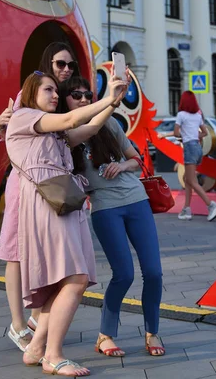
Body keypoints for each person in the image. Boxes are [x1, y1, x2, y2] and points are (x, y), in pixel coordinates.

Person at [6, 71, 126, 377]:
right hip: (49, 205)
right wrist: (108, 97)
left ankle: (36, 349)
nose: (55, 95)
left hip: (62, 204)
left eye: (55, 91)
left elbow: (88, 128)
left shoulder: (50, 131)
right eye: (49, 90)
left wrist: (113, 104)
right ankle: (53, 355)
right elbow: (71, 121)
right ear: (32, 93)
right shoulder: (24, 117)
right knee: (75, 279)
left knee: (64, 282)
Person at [62, 77, 165, 358]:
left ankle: (152, 331)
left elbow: (137, 161)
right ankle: (105, 334)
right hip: (105, 208)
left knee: (154, 272)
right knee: (124, 274)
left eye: (87, 94)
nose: (83, 99)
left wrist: (121, 165)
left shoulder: (110, 124)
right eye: (76, 95)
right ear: (66, 101)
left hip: (137, 202)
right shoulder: (64, 134)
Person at [0, 42, 82, 352]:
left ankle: (38, 323)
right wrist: (2, 122)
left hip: (58, 187)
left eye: (70, 64)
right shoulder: (35, 91)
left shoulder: (70, 95)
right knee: (17, 251)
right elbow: (11, 130)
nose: (66, 69)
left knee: (46, 256)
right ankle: (21, 324)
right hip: (29, 185)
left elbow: (74, 135)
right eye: (60, 63)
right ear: (48, 63)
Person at [174, 91, 216, 221]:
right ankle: (186, 209)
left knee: (191, 180)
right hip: (197, 148)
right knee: (187, 178)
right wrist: (195, 136)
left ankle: (211, 205)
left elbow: (176, 132)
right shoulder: (197, 115)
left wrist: (184, 136)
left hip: (189, 147)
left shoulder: (181, 115)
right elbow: (205, 132)